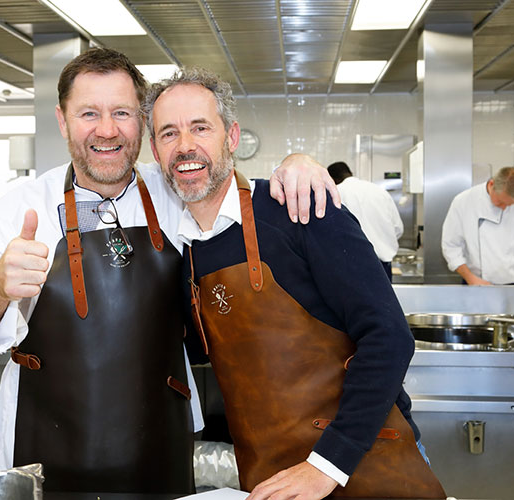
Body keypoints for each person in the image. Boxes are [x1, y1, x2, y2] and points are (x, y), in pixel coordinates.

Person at [0, 48, 339, 494]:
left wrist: (296, 165)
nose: (107, 130)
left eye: (122, 112)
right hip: (45, 446)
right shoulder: (21, 207)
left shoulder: (176, 189)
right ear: (63, 122)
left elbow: (234, 187)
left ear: (141, 122)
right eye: (88, 114)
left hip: (159, 444)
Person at [144, 67, 445, 499]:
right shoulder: (187, 250)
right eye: (169, 133)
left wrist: (326, 466)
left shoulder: (300, 208)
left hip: (366, 465)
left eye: (200, 127)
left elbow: (390, 337)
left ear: (231, 137)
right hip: (273, 478)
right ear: (155, 150)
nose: (185, 145)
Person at [441, 166, 514, 286]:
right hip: (475, 282)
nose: (504, 208)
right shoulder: (463, 201)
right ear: (492, 184)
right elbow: (451, 246)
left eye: (511, 205)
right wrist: (471, 279)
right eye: (500, 202)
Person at [328, 161, 403, 279]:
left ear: (332, 179)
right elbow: (398, 228)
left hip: (350, 266)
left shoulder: (336, 193)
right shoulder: (380, 191)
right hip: (383, 267)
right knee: (383, 297)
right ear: (350, 173)